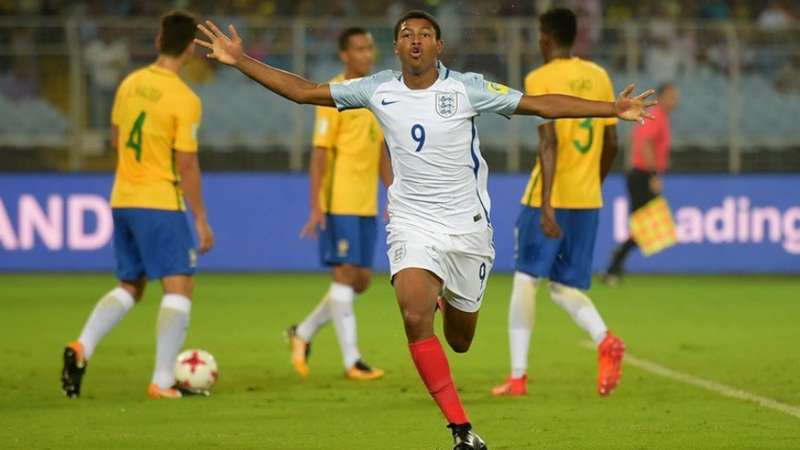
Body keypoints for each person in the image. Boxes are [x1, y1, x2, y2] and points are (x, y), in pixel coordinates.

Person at [195, 10, 654, 449]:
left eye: (424, 33)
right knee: (414, 314)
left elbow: (537, 104)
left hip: (468, 230)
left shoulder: (468, 89)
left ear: (439, 45)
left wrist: (611, 109)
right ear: (396, 46)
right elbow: (303, 92)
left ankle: (445, 296)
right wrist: (241, 61)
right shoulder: (376, 89)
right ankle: (462, 430)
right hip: (412, 224)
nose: (415, 39)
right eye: (406, 33)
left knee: (460, 340)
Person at [61, 11, 214, 400]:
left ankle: (82, 347)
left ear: (159, 40)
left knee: (130, 284)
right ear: (192, 48)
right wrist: (200, 218)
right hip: (159, 200)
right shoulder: (184, 98)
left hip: (122, 197)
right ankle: (163, 381)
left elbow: (116, 138)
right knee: (179, 285)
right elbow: (187, 163)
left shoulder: (130, 83)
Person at [491, 8, 625, 399]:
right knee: (561, 286)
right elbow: (612, 143)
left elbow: (548, 143)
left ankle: (518, 376)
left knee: (526, 279)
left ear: (546, 38)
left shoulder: (539, 76)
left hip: (546, 198)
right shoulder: (599, 75)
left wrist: (548, 203)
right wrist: (591, 186)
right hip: (587, 199)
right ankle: (604, 339)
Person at [286, 27, 392, 381]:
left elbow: (380, 151)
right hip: (340, 200)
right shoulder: (332, 95)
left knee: (360, 281)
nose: (367, 54)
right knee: (344, 276)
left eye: (370, 47)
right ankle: (352, 360)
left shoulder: (375, 94)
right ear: (345, 55)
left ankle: (302, 332)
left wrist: (393, 191)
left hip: (365, 204)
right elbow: (319, 155)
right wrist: (317, 205)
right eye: (359, 49)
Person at [603, 83, 679, 285]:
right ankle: (615, 264)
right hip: (643, 175)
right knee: (649, 224)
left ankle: (616, 264)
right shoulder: (657, 116)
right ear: (661, 97)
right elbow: (644, 143)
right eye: (672, 96)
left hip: (639, 174)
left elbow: (634, 138)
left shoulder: (659, 117)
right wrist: (653, 174)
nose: (675, 101)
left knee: (646, 225)